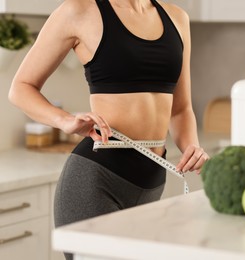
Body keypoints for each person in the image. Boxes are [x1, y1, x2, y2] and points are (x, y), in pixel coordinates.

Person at [9, 0, 209, 258]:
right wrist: (64, 120)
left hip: (151, 182)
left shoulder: (177, 18)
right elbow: (21, 87)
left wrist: (191, 147)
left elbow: (181, 108)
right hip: (96, 179)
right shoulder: (79, 11)